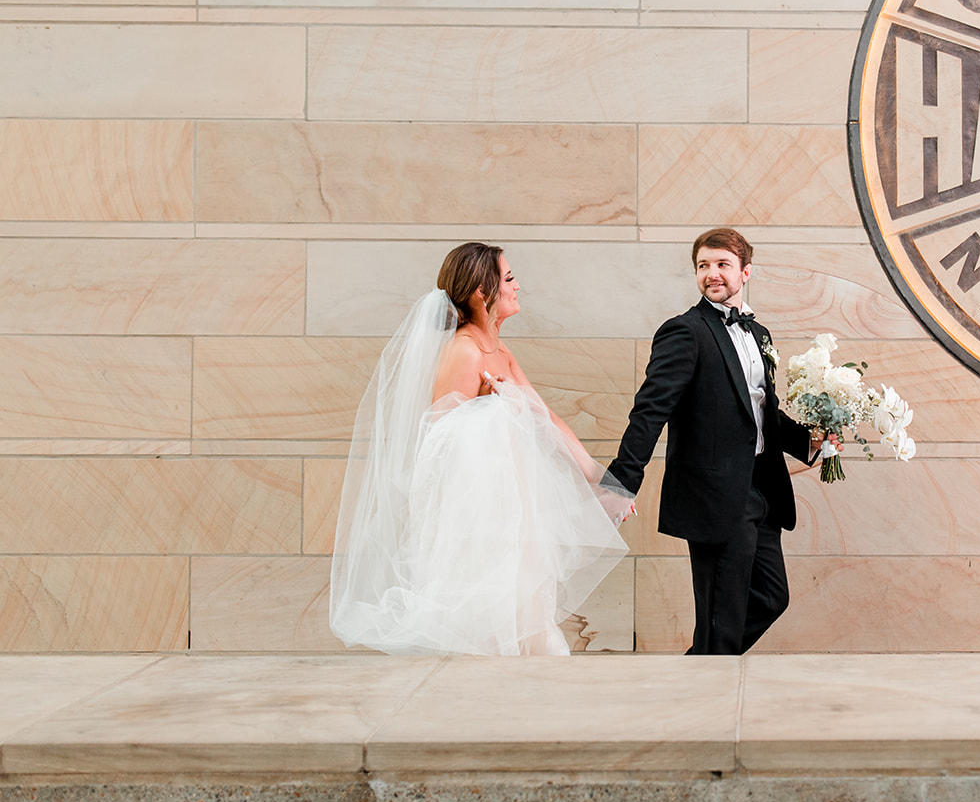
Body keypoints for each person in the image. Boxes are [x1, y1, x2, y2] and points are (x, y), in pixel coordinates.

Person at [329, 242, 632, 657]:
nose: (518, 285)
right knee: (498, 635)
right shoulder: (465, 351)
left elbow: (546, 418)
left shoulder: (498, 349)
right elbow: (439, 445)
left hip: (519, 519)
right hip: (485, 530)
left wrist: (608, 482)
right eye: (508, 278)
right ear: (481, 292)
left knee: (531, 626)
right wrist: (494, 407)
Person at [607, 228, 820, 655]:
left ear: (746, 271)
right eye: (703, 266)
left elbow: (760, 410)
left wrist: (810, 442)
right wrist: (621, 483)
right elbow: (650, 410)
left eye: (722, 264)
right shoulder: (685, 332)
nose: (712, 274)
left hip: (761, 489)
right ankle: (701, 702)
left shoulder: (760, 335)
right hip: (715, 495)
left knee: (771, 598)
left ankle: (699, 669)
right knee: (721, 619)